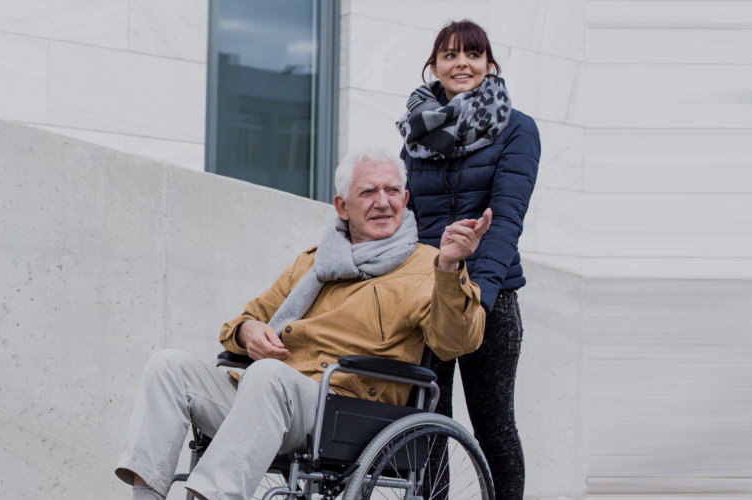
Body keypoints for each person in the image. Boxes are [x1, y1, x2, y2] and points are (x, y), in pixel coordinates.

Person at [112, 150, 492, 500]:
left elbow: (456, 342)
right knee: (168, 366)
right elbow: (248, 317)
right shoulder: (313, 262)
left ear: (405, 200)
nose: (383, 202)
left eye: (392, 191)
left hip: (347, 406)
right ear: (342, 206)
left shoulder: (427, 266)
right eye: (369, 192)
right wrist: (248, 333)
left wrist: (450, 268)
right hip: (271, 396)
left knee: (268, 377)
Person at [396, 19, 539, 500]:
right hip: (430, 293)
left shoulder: (518, 129)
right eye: (450, 55)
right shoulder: (417, 134)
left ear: (488, 65)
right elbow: (407, 218)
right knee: (428, 424)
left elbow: (506, 218)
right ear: (434, 66)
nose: (462, 63)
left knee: (493, 425)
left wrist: (481, 298)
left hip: (488, 299)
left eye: (472, 55)